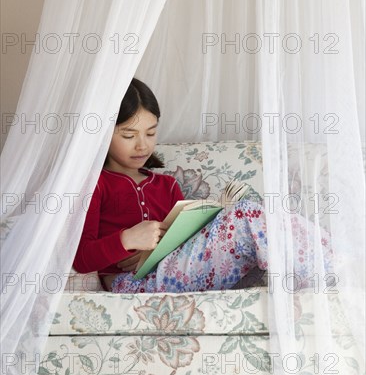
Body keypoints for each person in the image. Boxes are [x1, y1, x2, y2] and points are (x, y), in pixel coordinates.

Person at [73, 78, 334, 293]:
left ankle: (324, 267)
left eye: (151, 133)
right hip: (130, 284)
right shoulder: (95, 184)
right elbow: (81, 258)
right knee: (245, 215)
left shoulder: (166, 184)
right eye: (129, 135)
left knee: (244, 216)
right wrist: (128, 239)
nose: (142, 145)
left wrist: (214, 217)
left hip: (181, 270)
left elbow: (185, 241)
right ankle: (333, 266)